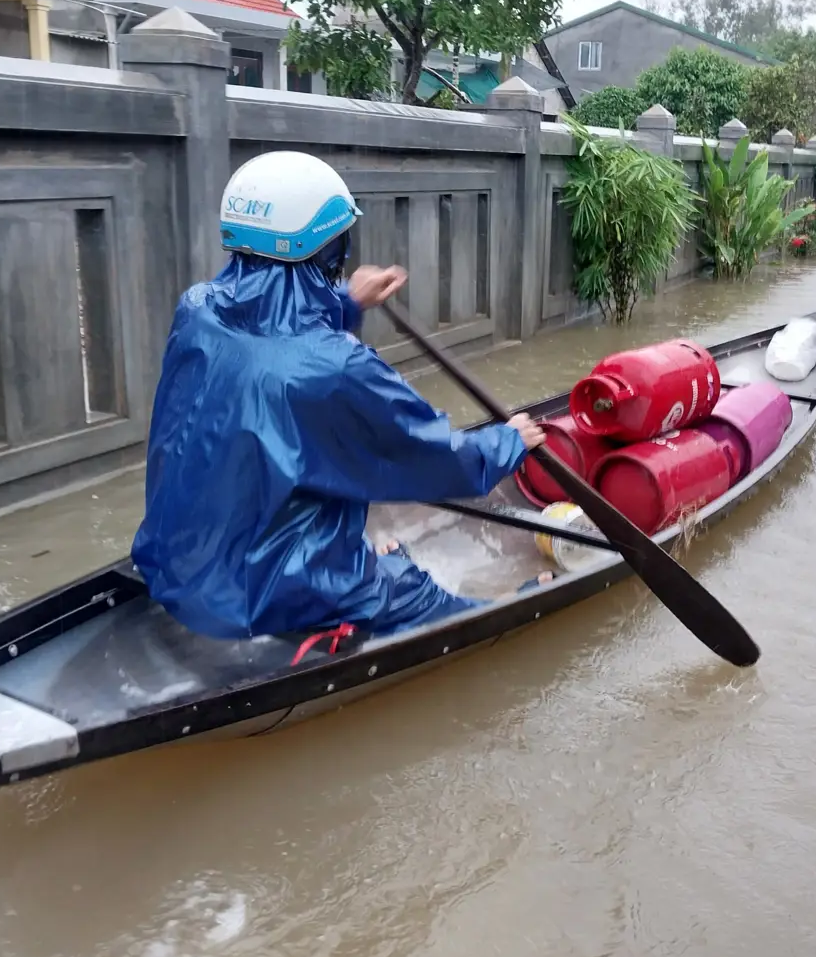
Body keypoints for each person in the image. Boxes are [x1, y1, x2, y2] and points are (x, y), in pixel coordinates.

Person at [131, 150, 552, 656]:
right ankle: (517, 606)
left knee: (350, 517)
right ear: (330, 248)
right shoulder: (333, 366)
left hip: (172, 566)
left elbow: (272, 328)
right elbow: (428, 453)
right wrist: (505, 444)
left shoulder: (196, 309)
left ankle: (353, 557)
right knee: (411, 591)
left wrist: (347, 304)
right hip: (267, 594)